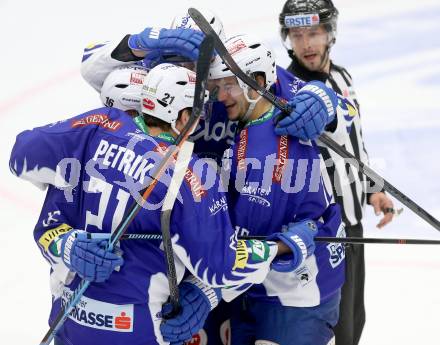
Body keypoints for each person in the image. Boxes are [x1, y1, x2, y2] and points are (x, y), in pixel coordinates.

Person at [9, 63, 312, 345]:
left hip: (71, 323)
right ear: (183, 118)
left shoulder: (97, 126)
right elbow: (222, 268)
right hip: (139, 330)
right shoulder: (191, 173)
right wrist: (283, 247)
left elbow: (22, 155)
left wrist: (68, 245)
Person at [209, 34, 346, 345]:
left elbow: (241, 249)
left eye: (228, 85)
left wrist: (203, 293)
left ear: (257, 82)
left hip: (294, 298)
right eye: (217, 87)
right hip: (271, 289)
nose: (220, 97)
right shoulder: (275, 114)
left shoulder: (263, 155)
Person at [278, 1, 396, 344]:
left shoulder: (343, 77)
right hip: (325, 230)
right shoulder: (286, 90)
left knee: (354, 323)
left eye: (313, 33)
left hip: (353, 223)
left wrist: (372, 188)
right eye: (297, 35)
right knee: (334, 330)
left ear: (330, 33)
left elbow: (354, 141)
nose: (306, 44)